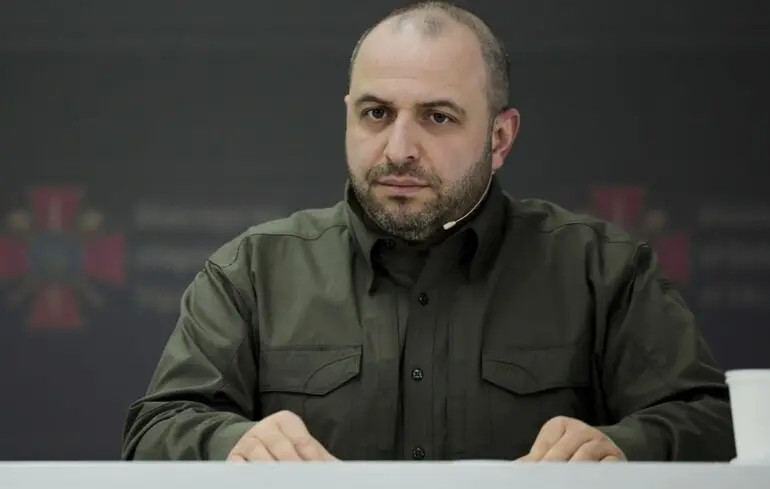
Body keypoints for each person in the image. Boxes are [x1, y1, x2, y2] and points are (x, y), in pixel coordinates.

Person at [121, 1, 736, 462]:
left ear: (499, 138)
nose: (398, 149)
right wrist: (228, 442)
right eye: (376, 113)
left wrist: (626, 447)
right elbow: (155, 431)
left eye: (437, 117)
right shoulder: (251, 273)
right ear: (348, 117)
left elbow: (715, 424)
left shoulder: (602, 271)